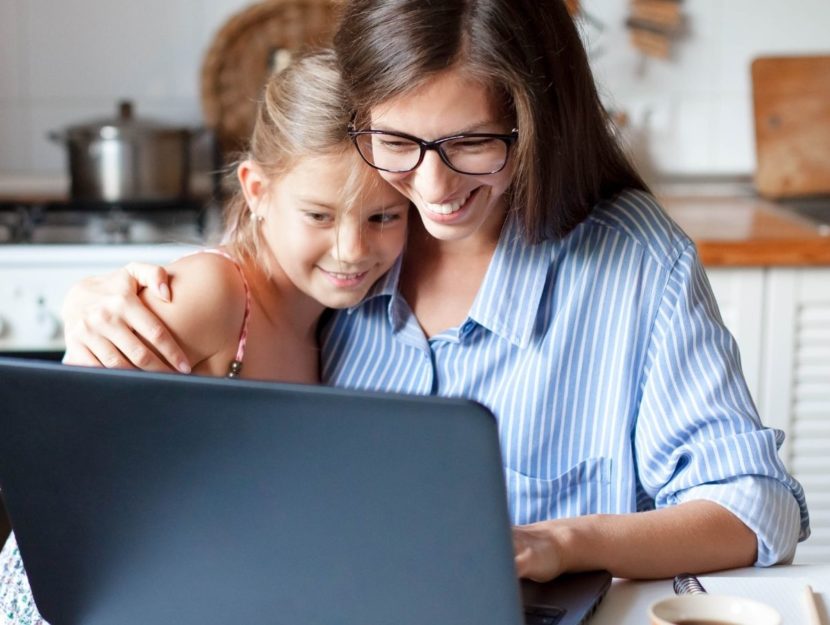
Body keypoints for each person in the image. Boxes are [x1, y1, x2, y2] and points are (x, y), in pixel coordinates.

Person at [60, 0, 808, 585]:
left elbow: (755, 503)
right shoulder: (362, 238)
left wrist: (565, 540)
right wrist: (93, 305)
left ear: (535, 121)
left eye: (473, 143)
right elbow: (245, 287)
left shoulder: (634, 262)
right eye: (399, 142)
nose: (434, 189)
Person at [0, 49, 408, 624]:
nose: (353, 249)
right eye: (318, 215)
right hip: (72, 596)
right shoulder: (216, 295)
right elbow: (62, 469)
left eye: (383, 217)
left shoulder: (334, 321)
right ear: (258, 192)